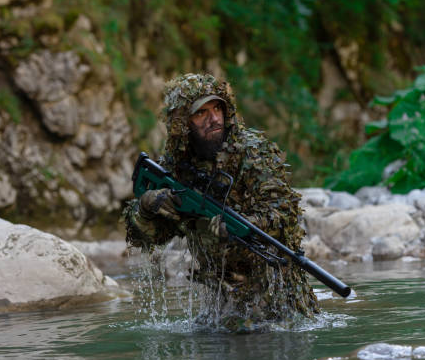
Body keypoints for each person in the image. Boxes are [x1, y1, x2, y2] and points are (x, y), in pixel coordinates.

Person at [124, 73, 319, 331]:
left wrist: (244, 225)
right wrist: (147, 208)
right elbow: (147, 239)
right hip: (220, 307)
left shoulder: (254, 153)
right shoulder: (175, 169)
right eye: (201, 113)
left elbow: (284, 214)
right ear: (183, 123)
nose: (214, 118)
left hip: (278, 302)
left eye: (217, 108)